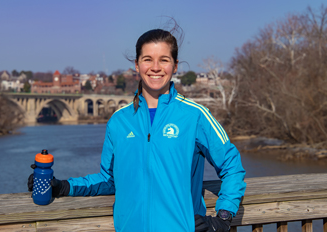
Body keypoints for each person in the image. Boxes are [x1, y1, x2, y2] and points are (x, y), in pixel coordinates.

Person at [28, 28, 246, 232]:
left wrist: (223, 217)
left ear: (175, 66)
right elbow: (109, 180)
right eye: (148, 59)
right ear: (137, 64)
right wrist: (63, 186)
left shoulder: (195, 116)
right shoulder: (119, 121)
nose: (155, 67)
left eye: (164, 60)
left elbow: (232, 167)